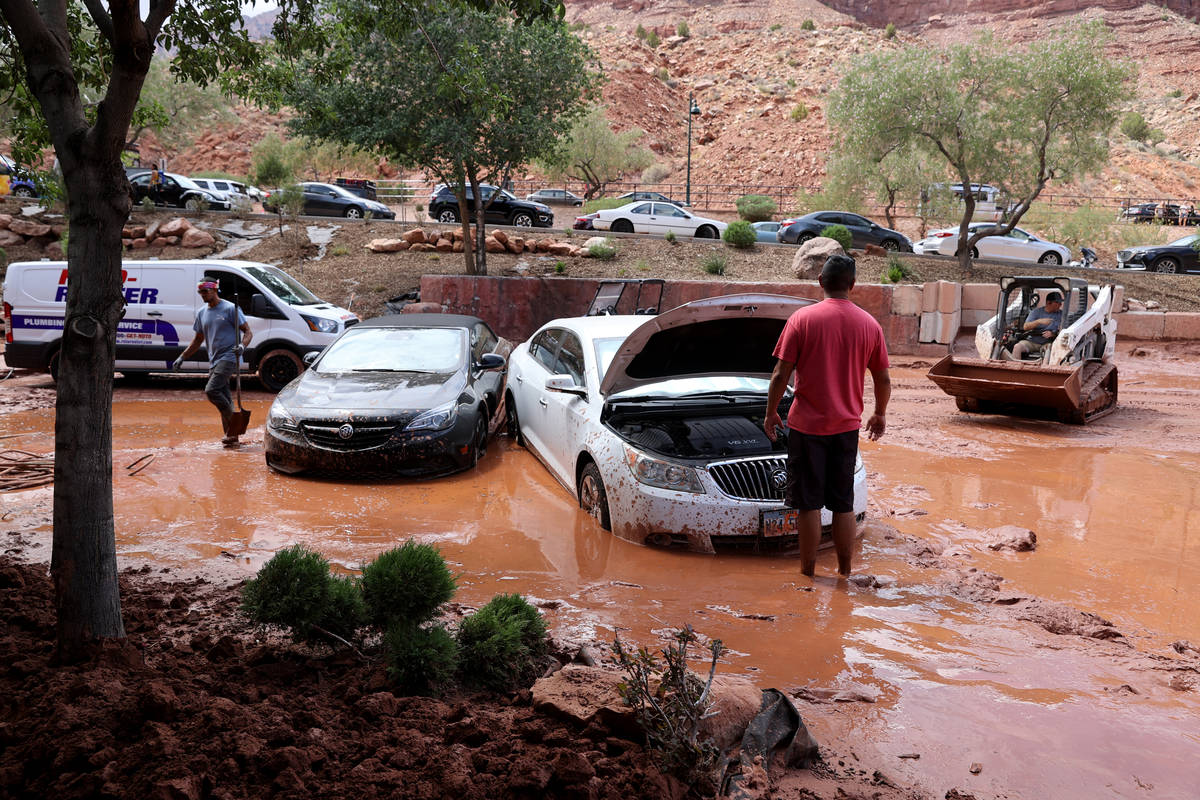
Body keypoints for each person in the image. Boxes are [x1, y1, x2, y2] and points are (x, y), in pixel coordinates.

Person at [764, 254, 891, 579]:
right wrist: (879, 413)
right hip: (846, 428)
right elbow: (883, 379)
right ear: (852, 284)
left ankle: (808, 574)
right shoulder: (869, 325)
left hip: (806, 427)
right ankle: (845, 573)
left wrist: (770, 413)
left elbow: (781, 374)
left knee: (808, 504)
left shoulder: (802, 319)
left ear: (820, 282)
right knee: (842, 503)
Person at [173, 280, 253, 446]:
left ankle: (234, 425)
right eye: (200, 292)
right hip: (214, 360)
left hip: (230, 357)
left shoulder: (231, 308)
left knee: (212, 390)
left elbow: (248, 332)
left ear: (215, 289)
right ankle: (232, 437)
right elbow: (198, 339)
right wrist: (182, 357)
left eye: (206, 291)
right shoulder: (202, 313)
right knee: (224, 398)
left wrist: (242, 346)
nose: (203, 295)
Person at [1003, 291, 1063, 361]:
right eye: (1057, 303)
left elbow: (1063, 331)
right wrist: (1039, 321)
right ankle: (1015, 369)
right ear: (1048, 302)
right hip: (1032, 341)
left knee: (1049, 350)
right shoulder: (1036, 312)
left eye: (1060, 303)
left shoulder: (1061, 314)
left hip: (1047, 343)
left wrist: (1052, 334)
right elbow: (1025, 327)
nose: (1060, 304)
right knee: (1017, 347)